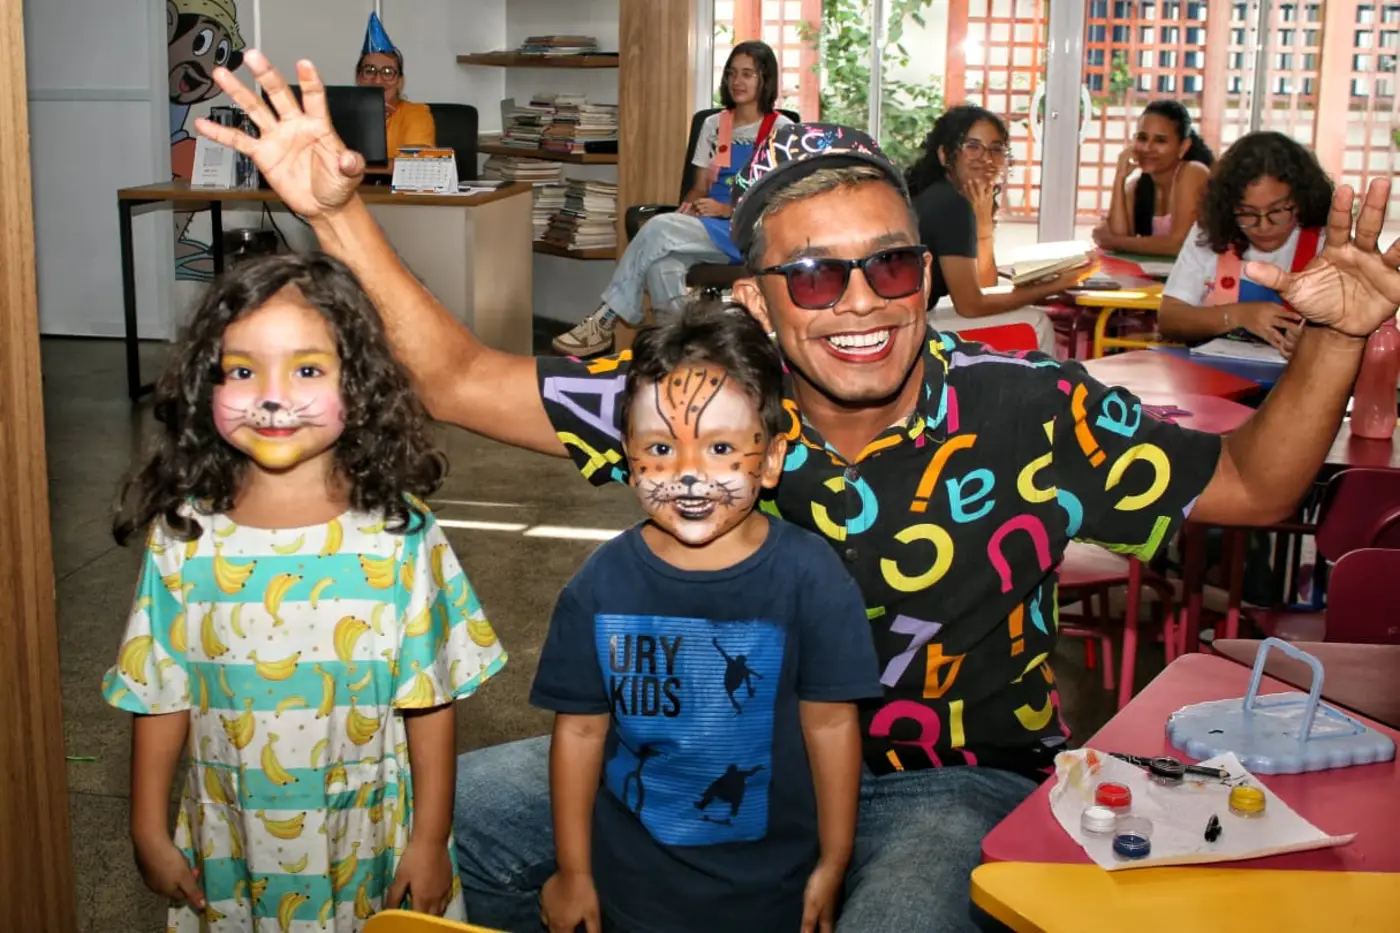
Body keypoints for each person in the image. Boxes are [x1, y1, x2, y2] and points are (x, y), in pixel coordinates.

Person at [199, 51, 1400, 932]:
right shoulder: (700, 407)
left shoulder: (1028, 408)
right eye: (817, 278)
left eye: (890, 265)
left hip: (946, 779)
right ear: (758, 302)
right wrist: (338, 212)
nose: (862, 301)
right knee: (415, 816)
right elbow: (460, 379)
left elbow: (1253, 485)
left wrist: (1335, 340)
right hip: (711, 751)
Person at [101, 252, 507, 931]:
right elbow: (159, 690)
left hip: (368, 843)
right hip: (230, 843)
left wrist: (429, 840)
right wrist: (147, 826)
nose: (273, 397)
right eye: (242, 371)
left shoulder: (400, 537)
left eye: (308, 370)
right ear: (206, 382)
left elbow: (430, 698)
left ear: (361, 383)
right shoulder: (183, 537)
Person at [532, 304, 880, 933]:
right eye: (661, 448)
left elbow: (831, 726)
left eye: (721, 448)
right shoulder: (598, 587)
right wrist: (574, 871)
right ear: (628, 457)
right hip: (630, 893)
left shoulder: (813, 580)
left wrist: (835, 861)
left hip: (772, 897)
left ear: (770, 460)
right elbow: (579, 733)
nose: (689, 475)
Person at [551, 40, 793, 358]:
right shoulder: (715, 125)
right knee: (662, 267)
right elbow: (699, 187)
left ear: (766, 79)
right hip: (710, 227)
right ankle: (685, 353)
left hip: (749, 231)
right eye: (732, 73)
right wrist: (689, 207)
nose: (737, 81)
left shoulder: (781, 129)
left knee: (657, 227)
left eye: (747, 74)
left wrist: (727, 209)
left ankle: (606, 316)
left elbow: (779, 201)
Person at [1159, 131, 1334, 357]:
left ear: (1301, 200)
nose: (1263, 226)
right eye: (1247, 213)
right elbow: (1169, 318)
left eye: (1278, 211)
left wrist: (1313, 340)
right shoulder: (1211, 233)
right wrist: (1237, 316)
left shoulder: (1324, 242)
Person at [908, 105, 1091, 316]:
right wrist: (1058, 284)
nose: (986, 158)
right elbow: (971, 306)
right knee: (1036, 320)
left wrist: (983, 224)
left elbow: (986, 285)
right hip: (909, 325)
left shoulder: (952, 198)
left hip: (916, 318)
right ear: (944, 155)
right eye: (973, 147)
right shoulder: (949, 204)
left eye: (996, 149)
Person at [1093, 100, 1213, 257]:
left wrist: (1114, 242)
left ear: (1183, 147)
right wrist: (1119, 178)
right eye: (1142, 138)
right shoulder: (1137, 186)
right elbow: (1119, 233)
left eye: (1160, 140)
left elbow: (1179, 245)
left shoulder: (1193, 172)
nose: (1147, 148)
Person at [357, 12, 434, 156]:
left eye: (387, 72)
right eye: (369, 71)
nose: (378, 80)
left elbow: (414, 163)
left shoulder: (416, 114)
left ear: (400, 81)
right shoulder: (340, 117)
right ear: (359, 78)